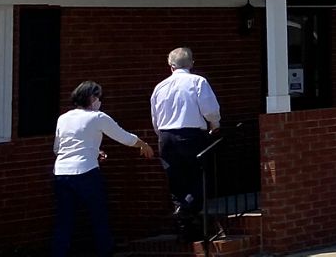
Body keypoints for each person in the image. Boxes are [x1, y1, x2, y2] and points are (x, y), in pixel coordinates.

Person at [52, 81, 154, 257]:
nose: (100, 101)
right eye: (98, 97)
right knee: (98, 216)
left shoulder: (63, 118)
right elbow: (124, 137)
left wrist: (95, 150)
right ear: (92, 98)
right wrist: (143, 144)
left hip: (61, 172)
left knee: (64, 220)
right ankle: (104, 251)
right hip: (86, 172)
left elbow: (57, 148)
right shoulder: (98, 117)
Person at [150, 47, 221, 241]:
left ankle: (184, 225)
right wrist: (215, 126)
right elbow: (210, 109)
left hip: (165, 137)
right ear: (191, 64)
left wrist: (162, 135)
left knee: (176, 180)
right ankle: (187, 209)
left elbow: (155, 118)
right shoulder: (198, 82)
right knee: (199, 176)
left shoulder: (160, 87)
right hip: (191, 135)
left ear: (170, 66)